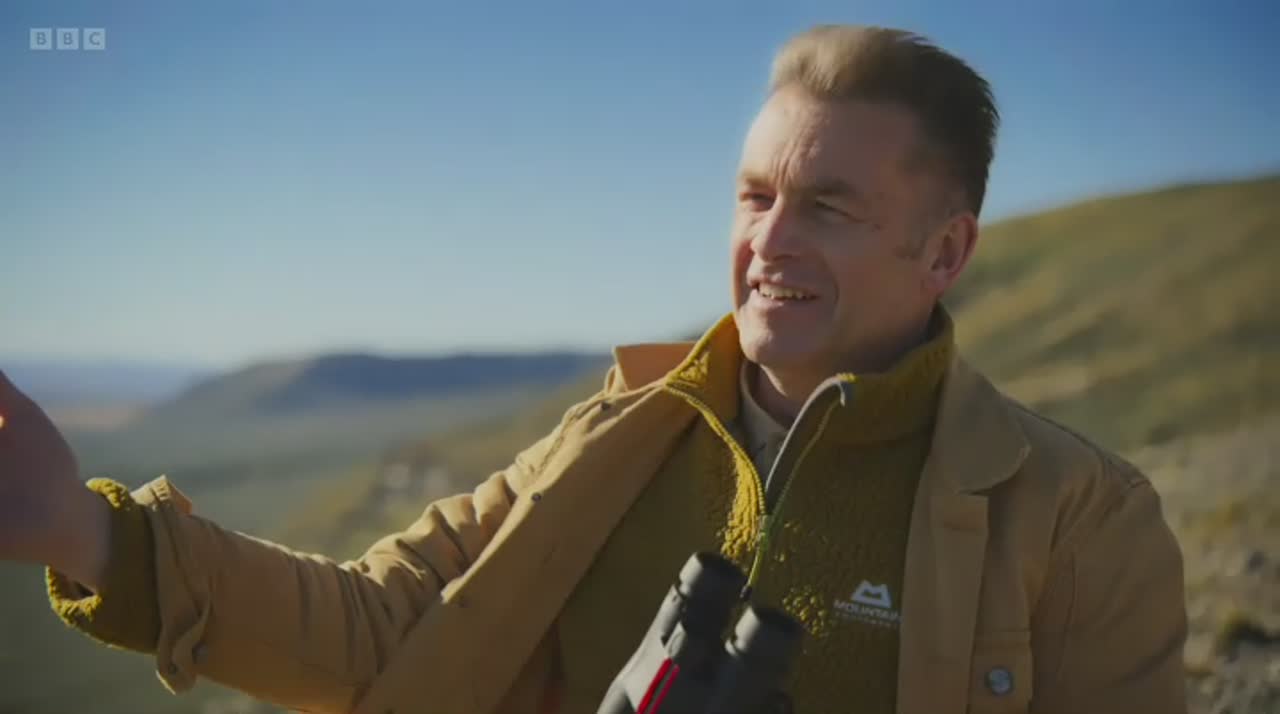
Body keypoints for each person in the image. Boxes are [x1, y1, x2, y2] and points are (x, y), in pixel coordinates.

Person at [0, 24, 1187, 714]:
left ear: (943, 253)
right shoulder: (610, 438)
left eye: (827, 207)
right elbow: (381, 624)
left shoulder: (1078, 520)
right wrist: (86, 535)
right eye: (753, 197)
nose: (769, 242)